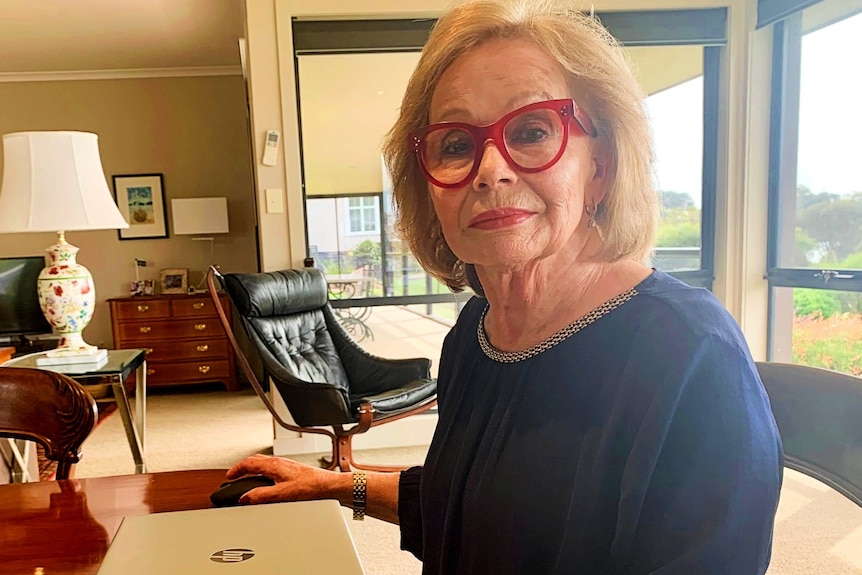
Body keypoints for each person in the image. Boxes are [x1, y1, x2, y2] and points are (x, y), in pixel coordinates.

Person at [225, 0, 784, 573]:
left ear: (602, 166)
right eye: (457, 144)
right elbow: (472, 510)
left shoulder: (690, 352)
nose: (491, 168)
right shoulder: (475, 332)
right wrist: (336, 484)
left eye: (533, 129)